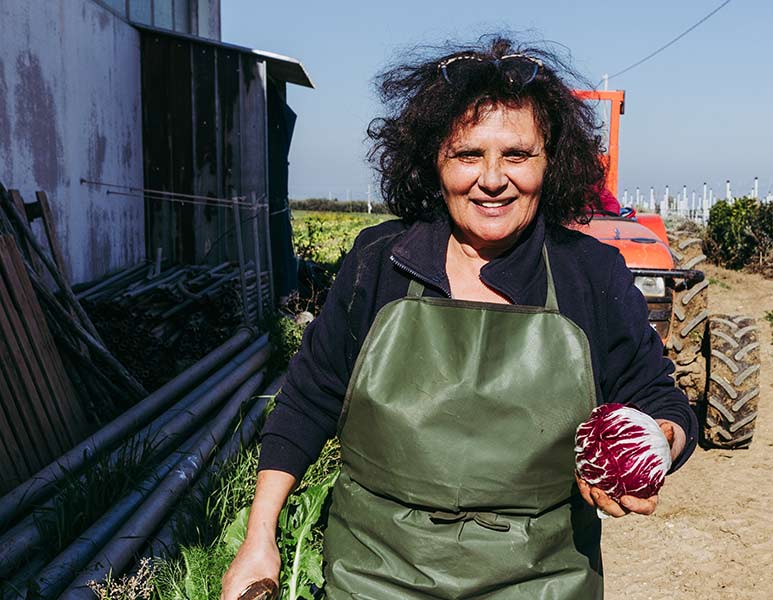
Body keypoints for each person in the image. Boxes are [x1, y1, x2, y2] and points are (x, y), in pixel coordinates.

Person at [221, 36, 697, 600]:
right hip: (376, 576)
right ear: (433, 160)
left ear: (554, 162)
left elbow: (659, 398)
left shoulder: (588, 272)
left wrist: (654, 446)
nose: (492, 179)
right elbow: (307, 399)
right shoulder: (380, 262)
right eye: (468, 154)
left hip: (542, 579)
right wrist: (259, 539)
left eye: (517, 155)